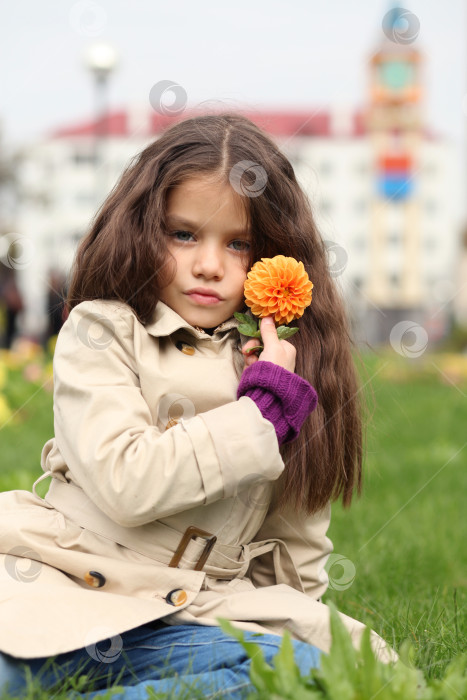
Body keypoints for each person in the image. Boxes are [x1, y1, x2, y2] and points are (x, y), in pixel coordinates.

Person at [0, 112, 397, 699]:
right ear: (140, 231)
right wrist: (258, 415)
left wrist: (300, 627)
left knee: (310, 672)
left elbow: (296, 545)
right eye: (184, 234)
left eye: (238, 244)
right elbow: (127, 482)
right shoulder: (103, 331)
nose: (209, 264)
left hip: (186, 618)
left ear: (275, 258)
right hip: (67, 585)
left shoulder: (282, 366)